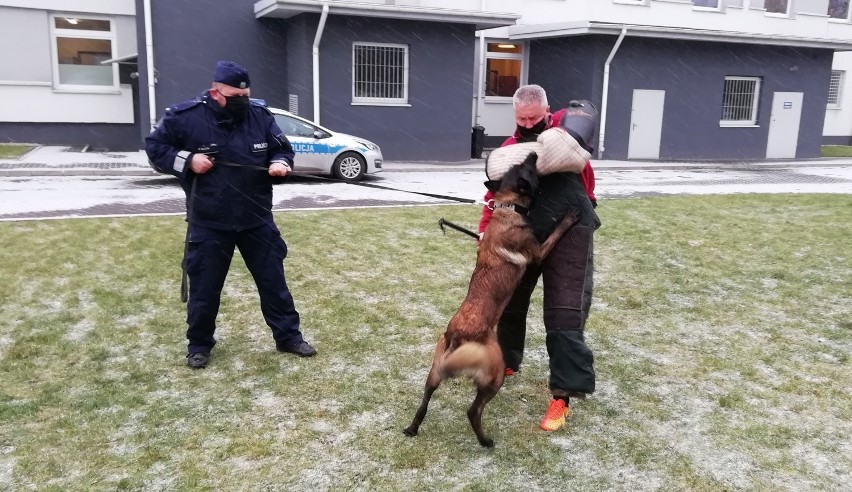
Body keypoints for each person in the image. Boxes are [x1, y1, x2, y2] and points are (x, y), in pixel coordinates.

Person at [145, 60, 316, 369]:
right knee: (205, 289)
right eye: (235, 98)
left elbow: (282, 149)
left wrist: (281, 164)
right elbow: (155, 147)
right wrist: (188, 160)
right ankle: (199, 344)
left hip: (256, 219)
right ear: (216, 93)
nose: (242, 102)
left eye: (245, 96)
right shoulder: (187, 117)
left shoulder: (260, 117)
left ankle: (288, 337)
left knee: (274, 284)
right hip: (210, 222)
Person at [477, 84, 600, 431]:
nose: (528, 122)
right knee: (510, 304)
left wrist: (554, 129)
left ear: (546, 111)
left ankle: (562, 396)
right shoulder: (509, 149)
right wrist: (486, 228)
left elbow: (585, 176)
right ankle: (506, 361)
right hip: (526, 233)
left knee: (564, 314)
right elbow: (497, 198)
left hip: (571, 230)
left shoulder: (565, 139)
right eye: (522, 118)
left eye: (534, 117)